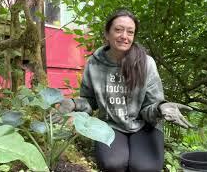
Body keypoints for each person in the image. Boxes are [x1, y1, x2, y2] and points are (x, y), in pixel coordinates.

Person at [58, 9, 193, 172]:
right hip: (111, 125)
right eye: (118, 30)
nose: (124, 36)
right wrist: (73, 103)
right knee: (113, 164)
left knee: (146, 168)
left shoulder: (146, 63)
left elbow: (151, 105)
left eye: (130, 32)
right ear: (107, 34)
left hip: (144, 124)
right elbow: (90, 101)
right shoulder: (94, 64)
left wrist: (161, 108)